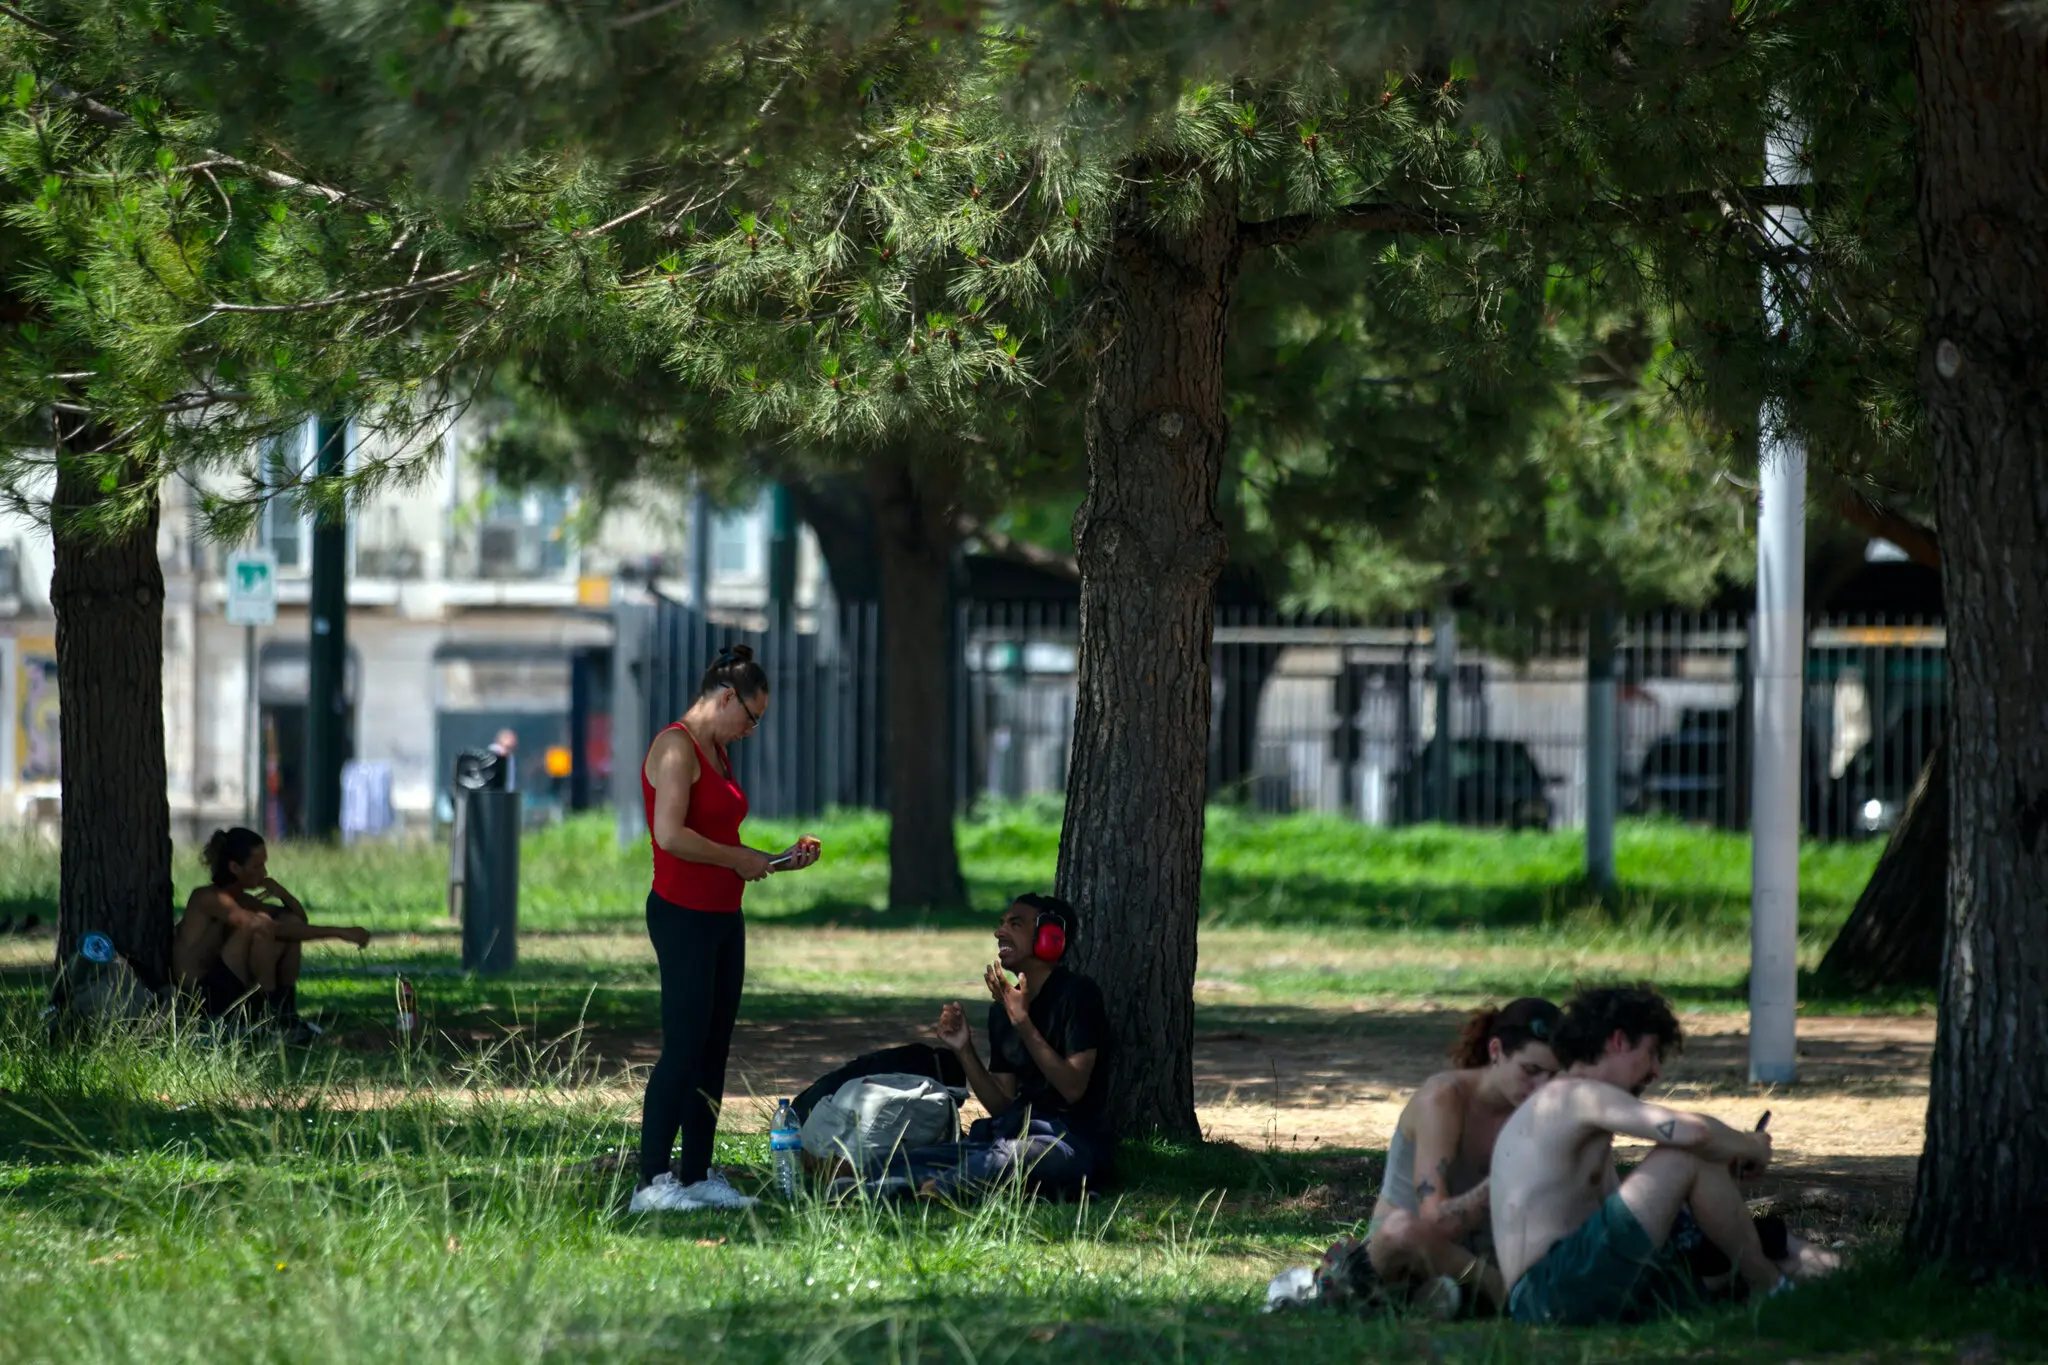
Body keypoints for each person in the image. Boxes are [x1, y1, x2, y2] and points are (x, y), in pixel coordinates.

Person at [1489, 985, 1838, 1327]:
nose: (1656, 1071)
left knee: (1782, 1251)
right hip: (1550, 1290)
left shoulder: (1577, 1112)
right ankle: (1770, 1287)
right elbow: (1693, 1133)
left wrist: (1710, 1187)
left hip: (1570, 1284)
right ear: (1619, 1041)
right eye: (1653, 1052)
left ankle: (1840, 1281)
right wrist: (1751, 1145)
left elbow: (1625, 1215)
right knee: (1684, 1154)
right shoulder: (1575, 1094)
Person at [630, 644, 820, 1214]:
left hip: (722, 916)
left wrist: (776, 858)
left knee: (713, 1049)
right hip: (682, 915)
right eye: (751, 716)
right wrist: (737, 857)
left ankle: (695, 1175)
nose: (752, 729)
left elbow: (719, 840)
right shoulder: (675, 746)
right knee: (683, 1048)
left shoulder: (716, 750)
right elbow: (669, 835)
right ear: (726, 696)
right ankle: (650, 1182)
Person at [854, 894, 1110, 1202]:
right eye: (1001, 924)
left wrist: (1023, 1022)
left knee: (1012, 1158)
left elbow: (1073, 1087)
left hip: (1067, 1142)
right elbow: (1002, 1105)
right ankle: (905, 1186)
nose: (999, 933)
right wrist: (964, 1049)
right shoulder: (1003, 1010)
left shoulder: (1078, 994)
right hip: (1005, 1136)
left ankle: (923, 1190)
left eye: (1015, 924)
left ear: (1050, 937)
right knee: (885, 1162)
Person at [1365, 997, 1562, 1315]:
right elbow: (1436, 1221)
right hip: (1413, 1250)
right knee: (1401, 1230)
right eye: (1532, 1070)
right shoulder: (1443, 1099)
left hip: (1490, 1250)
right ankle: (1506, 1297)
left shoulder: (1542, 1108)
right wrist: (1506, 1177)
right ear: (1495, 1051)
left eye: (1554, 1076)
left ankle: (1454, 1297)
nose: (1542, 1087)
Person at [172, 827, 371, 1039]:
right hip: (203, 998)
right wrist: (339, 932)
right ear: (235, 867)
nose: (264, 873)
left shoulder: (243, 901)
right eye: (257, 866)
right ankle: (267, 1015)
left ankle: (285, 1012)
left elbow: (298, 921)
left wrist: (283, 894)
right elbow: (264, 927)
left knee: (284, 925)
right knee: (263, 926)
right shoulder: (208, 898)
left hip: (229, 985)